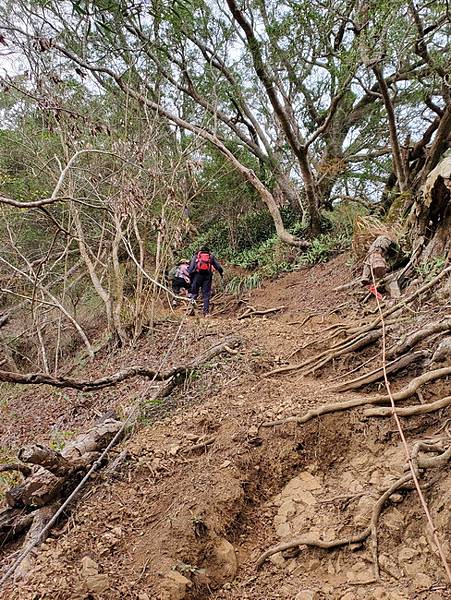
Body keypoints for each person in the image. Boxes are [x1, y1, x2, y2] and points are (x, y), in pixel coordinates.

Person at [188, 247, 223, 316]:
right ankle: (206, 312)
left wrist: (191, 278)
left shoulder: (196, 256)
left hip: (197, 276)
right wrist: (221, 273)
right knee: (206, 295)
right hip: (207, 277)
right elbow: (218, 267)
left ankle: (190, 310)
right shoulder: (210, 257)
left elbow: (191, 268)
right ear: (208, 251)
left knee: (194, 293)